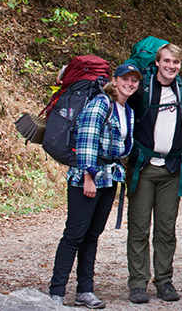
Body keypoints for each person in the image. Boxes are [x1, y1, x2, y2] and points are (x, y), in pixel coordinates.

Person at [49, 63, 142, 309]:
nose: (130, 84)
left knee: (92, 235)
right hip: (87, 176)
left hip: (109, 177)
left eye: (134, 80)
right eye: (125, 79)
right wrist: (89, 176)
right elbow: (86, 137)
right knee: (74, 235)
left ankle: (85, 290)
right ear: (115, 79)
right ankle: (56, 292)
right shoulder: (102, 102)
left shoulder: (127, 110)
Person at [125, 43, 182, 304]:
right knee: (139, 228)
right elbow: (119, 91)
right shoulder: (143, 88)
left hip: (171, 169)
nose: (172, 67)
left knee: (165, 229)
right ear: (158, 62)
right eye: (167, 62)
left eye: (176, 63)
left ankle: (164, 281)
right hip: (142, 168)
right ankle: (138, 284)